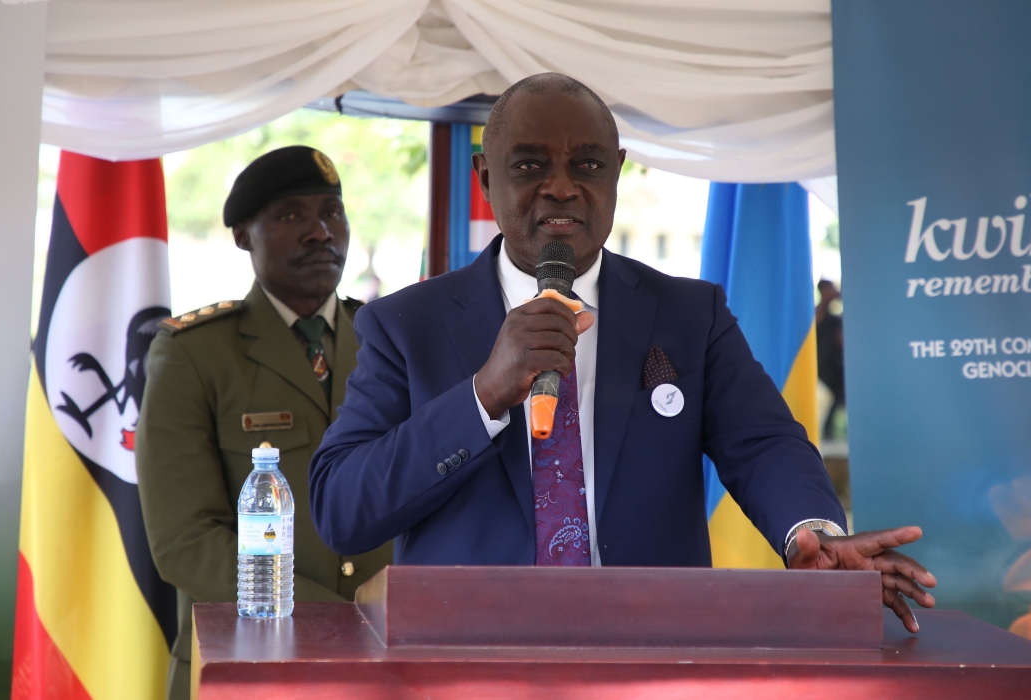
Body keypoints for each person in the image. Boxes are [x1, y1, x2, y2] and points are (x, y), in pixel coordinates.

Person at [309, 74, 935, 634]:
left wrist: (811, 534)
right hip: (468, 652)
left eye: (587, 165)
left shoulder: (691, 315)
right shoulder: (404, 323)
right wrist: (482, 397)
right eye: (529, 166)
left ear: (617, 171)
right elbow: (342, 511)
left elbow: (765, 443)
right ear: (485, 177)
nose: (560, 187)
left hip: (652, 646)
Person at [137, 146, 393, 700]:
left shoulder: (387, 338)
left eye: (332, 212)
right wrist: (336, 617)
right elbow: (185, 540)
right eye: (290, 216)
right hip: (250, 663)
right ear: (241, 235)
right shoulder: (194, 354)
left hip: (382, 662)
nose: (320, 233)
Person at [816, 280, 846, 439]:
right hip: (822, 366)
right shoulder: (818, 314)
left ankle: (828, 431)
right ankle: (824, 432)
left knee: (836, 398)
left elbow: (841, 340)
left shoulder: (835, 320)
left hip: (833, 366)